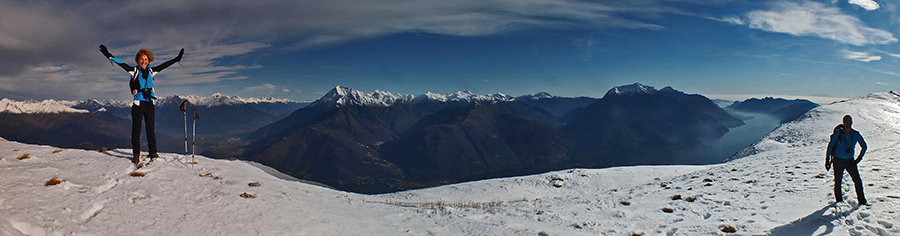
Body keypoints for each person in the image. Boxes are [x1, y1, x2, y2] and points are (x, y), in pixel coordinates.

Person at [100, 45, 183, 166]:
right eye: (141, 59)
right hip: (138, 105)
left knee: (151, 130)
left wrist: (177, 59)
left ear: (149, 60)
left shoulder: (151, 71)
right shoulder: (134, 71)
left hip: (149, 104)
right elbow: (121, 63)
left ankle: (153, 153)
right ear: (138, 60)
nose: (144, 61)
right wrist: (109, 55)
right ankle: (136, 155)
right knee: (136, 131)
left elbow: (164, 65)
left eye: (146, 59)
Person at [825, 115, 868, 205]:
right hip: (838, 161)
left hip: (850, 161)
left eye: (849, 121)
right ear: (843, 122)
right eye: (846, 121)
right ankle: (839, 201)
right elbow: (830, 146)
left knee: (857, 181)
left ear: (852, 122)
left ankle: (862, 201)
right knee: (838, 181)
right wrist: (827, 159)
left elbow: (864, 146)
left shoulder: (855, 134)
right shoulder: (838, 134)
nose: (848, 122)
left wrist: (859, 159)